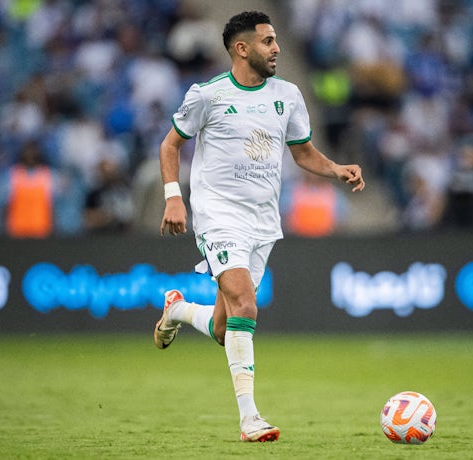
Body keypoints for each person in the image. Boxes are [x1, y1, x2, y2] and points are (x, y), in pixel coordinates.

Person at [153, 11, 365, 443]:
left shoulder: (287, 95)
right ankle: (250, 418)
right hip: (218, 215)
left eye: (276, 41)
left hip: (263, 222)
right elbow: (171, 144)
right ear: (242, 48)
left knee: (222, 327)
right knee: (246, 306)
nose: (277, 49)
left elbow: (303, 153)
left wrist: (336, 168)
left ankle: (175, 309)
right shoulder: (207, 95)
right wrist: (174, 196)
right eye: (268, 41)